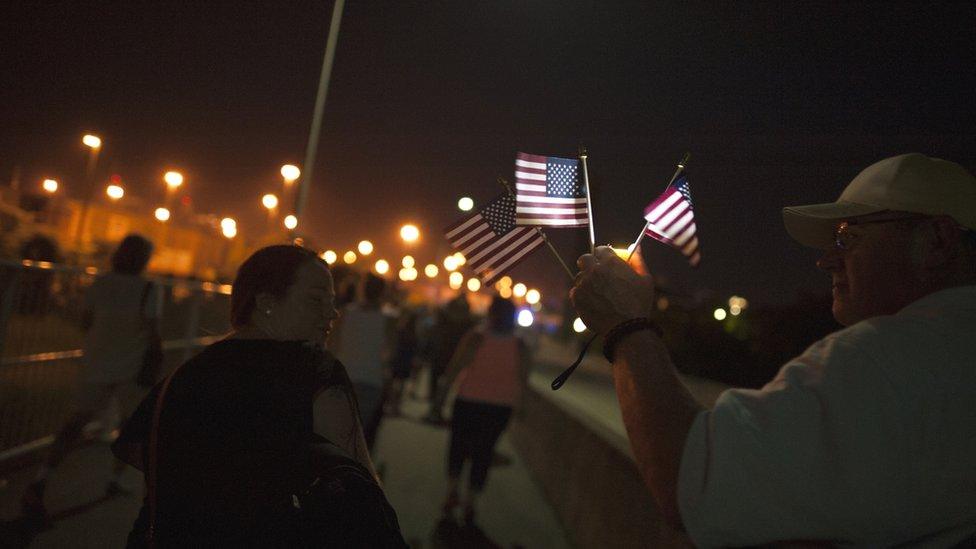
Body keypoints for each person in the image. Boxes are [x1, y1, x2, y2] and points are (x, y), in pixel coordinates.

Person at [570, 153, 976, 547]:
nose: (827, 261)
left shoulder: (886, 360)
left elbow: (692, 479)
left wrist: (628, 326)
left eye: (848, 237)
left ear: (938, 242)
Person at [110, 245, 392, 546]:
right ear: (266, 303)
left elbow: (155, 486)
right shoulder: (314, 374)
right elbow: (359, 494)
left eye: (332, 302)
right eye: (316, 300)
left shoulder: (183, 377)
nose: (332, 313)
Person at [21, 234, 161, 520]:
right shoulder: (148, 289)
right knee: (132, 426)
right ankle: (116, 478)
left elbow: (86, 320)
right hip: (131, 369)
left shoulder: (102, 282)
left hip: (96, 363)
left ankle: (42, 479)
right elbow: (152, 332)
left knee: (74, 424)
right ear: (145, 259)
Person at [437, 296, 530, 523]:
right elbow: (523, 379)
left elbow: (456, 366)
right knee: (484, 452)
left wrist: (441, 394)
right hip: (500, 407)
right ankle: (472, 501)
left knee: (458, 445)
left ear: (490, 313)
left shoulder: (477, 337)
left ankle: (452, 491)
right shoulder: (520, 345)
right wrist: (522, 407)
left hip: (469, 400)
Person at [329, 272, 394, 449]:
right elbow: (388, 355)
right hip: (371, 381)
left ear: (362, 289)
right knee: (358, 434)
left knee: (335, 431)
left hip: (343, 378)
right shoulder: (388, 320)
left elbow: (331, 347)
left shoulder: (344, 314)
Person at [424, 295, 473, 422]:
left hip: (444, 353)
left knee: (439, 384)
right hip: (449, 355)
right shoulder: (464, 322)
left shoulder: (447, 319)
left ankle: (434, 410)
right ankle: (436, 410)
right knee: (444, 385)